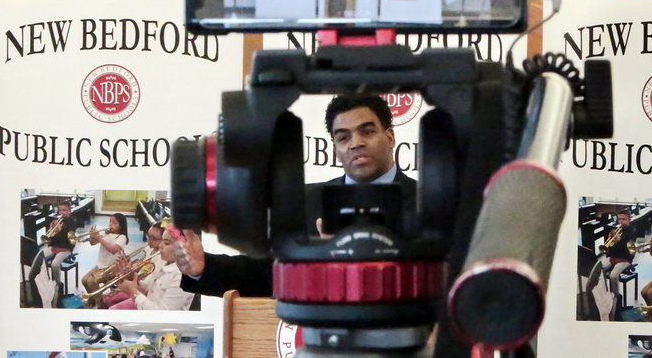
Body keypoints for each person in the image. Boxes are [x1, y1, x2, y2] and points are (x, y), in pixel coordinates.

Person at [175, 94, 416, 298]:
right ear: (335, 149)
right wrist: (204, 267)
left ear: (390, 137)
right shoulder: (303, 200)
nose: (356, 143)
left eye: (367, 132)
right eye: (343, 137)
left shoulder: (431, 201)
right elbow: (268, 274)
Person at [109, 225, 195, 310]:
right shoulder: (165, 262)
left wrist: (133, 291)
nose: (160, 246)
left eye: (166, 243)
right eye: (161, 241)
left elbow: (162, 316)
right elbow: (148, 288)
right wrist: (132, 278)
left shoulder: (183, 277)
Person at [28, 200, 78, 307]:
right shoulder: (56, 221)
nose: (62, 213)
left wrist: (60, 231)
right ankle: (39, 284)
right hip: (54, 247)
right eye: (60, 210)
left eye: (64, 210)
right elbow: (50, 240)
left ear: (69, 211)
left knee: (55, 264)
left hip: (66, 248)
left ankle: (57, 285)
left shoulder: (72, 223)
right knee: (39, 258)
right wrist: (52, 230)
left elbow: (67, 241)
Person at [102, 223, 164, 308]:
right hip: (138, 285)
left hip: (144, 293)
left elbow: (146, 286)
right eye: (148, 236)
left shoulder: (161, 258)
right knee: (106, 297)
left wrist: (130, 285)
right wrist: (128, 268)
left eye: (154, 239)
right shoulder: (149, 249)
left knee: (109, 299)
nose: (149, 241)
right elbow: (140, 265)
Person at [81, 213, 129, 298]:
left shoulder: (122, 237)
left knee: (91, 282)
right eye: (110, 222)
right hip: (101, 265)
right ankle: (93, 300)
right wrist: (92, 236)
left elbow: (113, 250)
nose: (111, 224)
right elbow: (93, 243)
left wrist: (100, 239)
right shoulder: (106, 233)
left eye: (114, 223)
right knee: (84, 280)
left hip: (112, 267)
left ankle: (100, 304)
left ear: (121, 225)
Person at [601, 209, 637, 309]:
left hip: (625, 258)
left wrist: (619, 240)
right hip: (614, 257)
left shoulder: (632, 232)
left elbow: (629, 250)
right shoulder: (616, 230)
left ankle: (616, 297)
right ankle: (606, 294)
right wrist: (609, 241)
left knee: (613, 275)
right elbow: (610, 248)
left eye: (624, 219)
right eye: (619, 219)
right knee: (598, 269)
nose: (621, 221)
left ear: (629, 219)